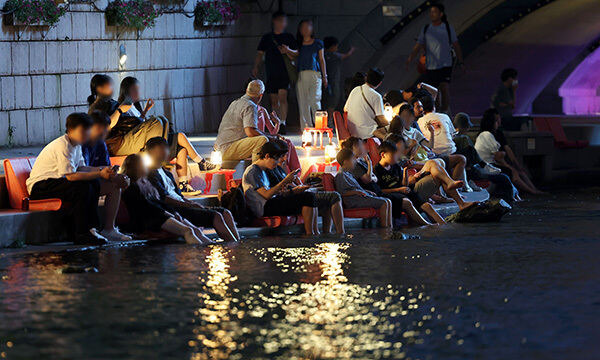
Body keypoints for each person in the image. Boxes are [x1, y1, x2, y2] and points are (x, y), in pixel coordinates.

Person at [26, 113, 132, 245]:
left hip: (58, 183)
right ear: (70, 130)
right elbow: (71, 176)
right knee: (83, 186)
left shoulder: (76, 145)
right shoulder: (63, 145)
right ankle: (82, 232)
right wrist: (100, 174)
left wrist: (105, 170)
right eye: (82, 131)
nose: (86, 135)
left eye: (87, 131)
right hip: (41, 187)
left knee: (91, 183)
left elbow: (81, 168)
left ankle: (98, 229)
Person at [117, 76, 217, 191]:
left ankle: (183, 184)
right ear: (126, 91)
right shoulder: (124, 107)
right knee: (180, 136)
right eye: (135, 89)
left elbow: (140, 122)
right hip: (143, 142)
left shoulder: (135, 107)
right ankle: (201, 162)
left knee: (182, 149)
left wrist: (145, 111)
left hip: (149, 138)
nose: (138, 92)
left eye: (138, 89)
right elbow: (134, 128)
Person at [144, 137, 240, 242]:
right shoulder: (150, 173)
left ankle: (237, 242)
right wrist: (189, 205)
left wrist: (190, 203)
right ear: (151, 151)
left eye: (165, 148)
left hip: (183, 204)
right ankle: (232, 245)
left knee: (225, 212)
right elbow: (164, 198)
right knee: (215, 216)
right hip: (175, 208)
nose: (165, 152)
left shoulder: (166, 172)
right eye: (161, 149)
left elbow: (179, 195)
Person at [375, 140, 473, 224]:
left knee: (433, 165)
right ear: (383, 155)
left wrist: (405, 171)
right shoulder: (377, 170)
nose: (397, 157)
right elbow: (380, 191)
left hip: (408, 190)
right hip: (400, 194)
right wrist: (400, 188)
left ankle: (443, 225)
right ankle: (454, 195)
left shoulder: (395, 166)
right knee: (434, 167)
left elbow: (404, 184)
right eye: (394, 155)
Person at [120, 154, 210, 244]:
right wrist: (169, 214)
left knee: (195, 230)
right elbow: (147, 207)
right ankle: (199, 254)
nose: (146, 168)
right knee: (188, 231)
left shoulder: (146, 182)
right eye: (143, 165)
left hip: (160, 214)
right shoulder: (131, 187)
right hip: (150, 219)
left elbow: (159, 201)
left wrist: (173, 213)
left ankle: (210, 247)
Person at [340, 137, 432, 226]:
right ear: (352, 149)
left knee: (411, 197)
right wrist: (369, 163)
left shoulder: (360, 162)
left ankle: (423, 224)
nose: (364, 147)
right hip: (373, 194)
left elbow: (374, 178)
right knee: (402, 201)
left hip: (376, 191)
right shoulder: (355, 166)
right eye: (360, 145)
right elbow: (368, 179)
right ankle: (425, 225)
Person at [266, 139, 345, 234]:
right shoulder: (269, 169)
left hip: (296, 193)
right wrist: (295, 188)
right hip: (289, 198)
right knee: (333, 196)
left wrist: (299, 186)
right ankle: (339, 233)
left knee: (326, 199)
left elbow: (289, 185)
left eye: (285, 155)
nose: (284, 159)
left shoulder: (279, 169)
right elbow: (279, 190)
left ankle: (327, 233)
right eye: (282, 156)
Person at [242, 141, 318, 235]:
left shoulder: (265, 170)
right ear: (267, 156)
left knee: (310, 196)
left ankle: (315, 232)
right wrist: (285, 181)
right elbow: (266, 195)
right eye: (276, 159)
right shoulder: (253, 171)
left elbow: (274, 193)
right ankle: (310, 233)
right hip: (264, 208)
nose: (278, 162)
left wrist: (292, 191)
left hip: (272, 202)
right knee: (308, 197)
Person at [406, 3, 464, 113]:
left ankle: (444, 110)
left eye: (435, 12)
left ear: (441, 14)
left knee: (444, 86)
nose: (432, 14)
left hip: (445, 62)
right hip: (432, 64)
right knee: (434, 88)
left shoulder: (446, 28)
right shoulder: (427, 28)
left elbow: (455, 45)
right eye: (431, 12)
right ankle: (437, 110)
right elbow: (420, 44)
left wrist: (461, 62)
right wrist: (411, 58)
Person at [453, 112, 520, 202]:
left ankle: (514, 196)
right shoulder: (463, 138)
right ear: (465, 126)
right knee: (504, 177)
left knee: (504, 175)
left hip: (470, 168)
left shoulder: (452, 137)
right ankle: (512, 200)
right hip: (471, 171)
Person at [475, 109, 544, 195]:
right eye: (496, 120)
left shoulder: (497, 133)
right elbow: (497, 157)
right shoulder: (486, 135)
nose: (499, 122)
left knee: (520, 171)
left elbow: (507, 150)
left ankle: (534, 189)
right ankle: (531, 191)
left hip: (494, 163)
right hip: (489, 165)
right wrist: (509, 166)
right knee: (513, 172)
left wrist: (516, 164)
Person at [252, 11, 297, 130]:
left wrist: (287, 50)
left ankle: (283, 123)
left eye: (284, 21)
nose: (283, 24)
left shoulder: (289, 37)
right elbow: (260, 53)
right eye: (280, 21)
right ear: (274, 21)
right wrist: (256, 66)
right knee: (273, 99)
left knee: (283, 96)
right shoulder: (267, 37)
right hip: (271, 71)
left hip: (284, 71)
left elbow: (297, 53)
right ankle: (275, 122)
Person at [415, 95, 469, 188]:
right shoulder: (444, 116)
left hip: (433, 153)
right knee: (466, 147)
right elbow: (452, 135)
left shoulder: (418, 121)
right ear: (434, 107)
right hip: (445, 153)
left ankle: (455, 184)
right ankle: (455, 185)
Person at [335, 148, 392, 228]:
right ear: (346, 162)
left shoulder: (348, 173)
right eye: (353, 159)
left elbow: (353, 187)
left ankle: (390, 226)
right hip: (353, 200)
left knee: (388, 201)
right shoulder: (340, 175)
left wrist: (365, 191)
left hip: (359, 197)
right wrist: (356, 192)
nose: (355, 162)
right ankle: (386, 229)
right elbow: (341, 193)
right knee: (384, 203)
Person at [215, 80, 270, 163]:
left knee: (263, 139)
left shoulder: (235, 102)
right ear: (260, 96)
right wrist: (270, 137)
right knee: (262, 140)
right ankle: (254, 171)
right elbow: (250, 132)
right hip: (227, 149)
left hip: (221, 148)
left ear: (247, 91)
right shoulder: (250, 105)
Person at [295, 19, 327, 129]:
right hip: (302, 73)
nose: (305, 29)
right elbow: (294, 56)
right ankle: (306, 127)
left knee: (315, 100)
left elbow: (322, 60)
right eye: (303, 27)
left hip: (315, 74)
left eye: (307, 26)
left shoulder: (318, 43)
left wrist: (324, 76)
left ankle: (319, 126)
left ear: (312, 28)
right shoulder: (298, 44)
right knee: (303, 101)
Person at [345, 68, 388, 140]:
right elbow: (381, 119)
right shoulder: (376, 96)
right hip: (367, 133)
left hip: (352, 130)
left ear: (366, 78)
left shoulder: (355, 89)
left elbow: (345, 109)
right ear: (380, 83)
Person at [323, 36, 355, 117]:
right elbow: (346, 55)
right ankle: (329, 120)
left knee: (326, 102)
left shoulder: (323, 55)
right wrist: (352, 50)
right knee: (333, 101)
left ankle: (325, 119)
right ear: (332, 46)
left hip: (324, 82)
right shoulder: (335, 56)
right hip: (333, 83)